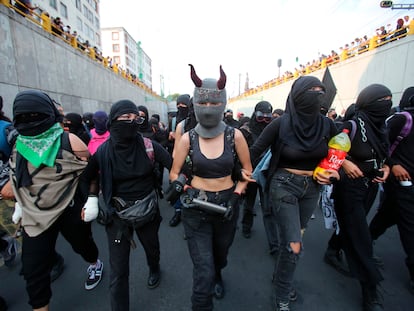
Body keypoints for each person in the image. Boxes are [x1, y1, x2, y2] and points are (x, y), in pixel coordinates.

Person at [250, 76, 339, 311]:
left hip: (312, 190)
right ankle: (281, 293)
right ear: (298, 94)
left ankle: (280, 277)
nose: (318, 94)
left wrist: (332, 172)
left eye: (321, 91)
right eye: (312, 90)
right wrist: (237, 173)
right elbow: (254, 151)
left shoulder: (328, 125)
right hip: (283, 185)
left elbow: (335, 155)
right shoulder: (280, 124)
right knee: (294, 244)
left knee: (292, 240)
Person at [9, 90, 103, 311]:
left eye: (34, 116)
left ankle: (95, 263)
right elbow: (18, 174)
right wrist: (20, 203)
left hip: (69, 208)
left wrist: (91, 199)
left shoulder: (70, 141)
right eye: (24, 117)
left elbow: (90, 172)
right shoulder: (19, 143)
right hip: (35, 214)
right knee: (33, 269)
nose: (29, 121)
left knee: (83, 245)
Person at [169, 64, 252, 310]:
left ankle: (219, 273)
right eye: (202, 104)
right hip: (195, 208)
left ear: (223, 103)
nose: (208, 109)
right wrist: (182, 187)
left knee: (220, 255)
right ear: (195, 103)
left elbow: (247, 171)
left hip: (227, 205)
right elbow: (174, 172)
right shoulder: (187, 138)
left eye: (214, 103)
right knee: (202, 269)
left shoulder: (234, 136)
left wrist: (237, 194)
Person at [78, 100, 172, 311]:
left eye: (135, 118)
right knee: (118, 270)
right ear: (113, 121)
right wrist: (92, 201)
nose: (132, 122)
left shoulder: (149, 146)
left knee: (152, 250)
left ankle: (154, 268)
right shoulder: (102, 152)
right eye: (125, 118)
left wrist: (180, 183)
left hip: (147, 212)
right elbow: (86, 178)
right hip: (117, 218)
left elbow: (173, 165)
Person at [331, 84, 392, 311]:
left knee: (353, 229)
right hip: (349, 189)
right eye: (381, 100)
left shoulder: (382, 127)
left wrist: (386, 167)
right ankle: (371, 291)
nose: (386, 104)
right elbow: (331, 153)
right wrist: (345, 162)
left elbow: (385, 154)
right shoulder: (352, 126)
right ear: (368, 102)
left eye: (389, 99)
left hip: (371, 187)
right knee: (361, 238)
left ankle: (332, 249)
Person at [368, 86, 414, 294]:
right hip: (400, 183)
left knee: (387, 216)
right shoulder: (402, 120)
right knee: (409, 226)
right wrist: (393, 164)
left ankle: (362, 242)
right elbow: (380, 144)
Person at [239, 101, 279, 255]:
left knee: (267, 208)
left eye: (267, 117)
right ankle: (246, 227)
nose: (264, 120)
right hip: (250, 173)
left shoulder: (273, 129)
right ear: (255, 114)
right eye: (261, 116)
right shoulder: (245, 130)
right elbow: (238, 153)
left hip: (266, 172)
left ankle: (274, 244)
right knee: (249, 204)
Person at [169, 96, 198, 227]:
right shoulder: (181, 124)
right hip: (186, 167)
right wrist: (177, 170)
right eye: (178, 104)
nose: (181, 107)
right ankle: (179, 212)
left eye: (183, 104)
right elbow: (176, 150)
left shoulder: (217, 126)